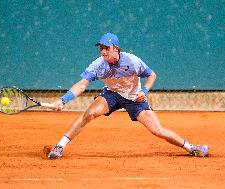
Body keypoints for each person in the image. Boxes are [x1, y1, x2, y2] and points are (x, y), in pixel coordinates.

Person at [47, 33, 209, 159]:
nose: (103, 51)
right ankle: (59, 146)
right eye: (101, 48)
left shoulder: (132, 61)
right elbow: (82, 84)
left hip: (134, 99)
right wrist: (63, 100)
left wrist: (143, 92)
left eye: (107, 48)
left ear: (116, 49)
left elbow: (151, 75)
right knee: (89, 114)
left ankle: (192, 148)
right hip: (112, 94)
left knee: (157, 130)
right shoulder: (98, 64)